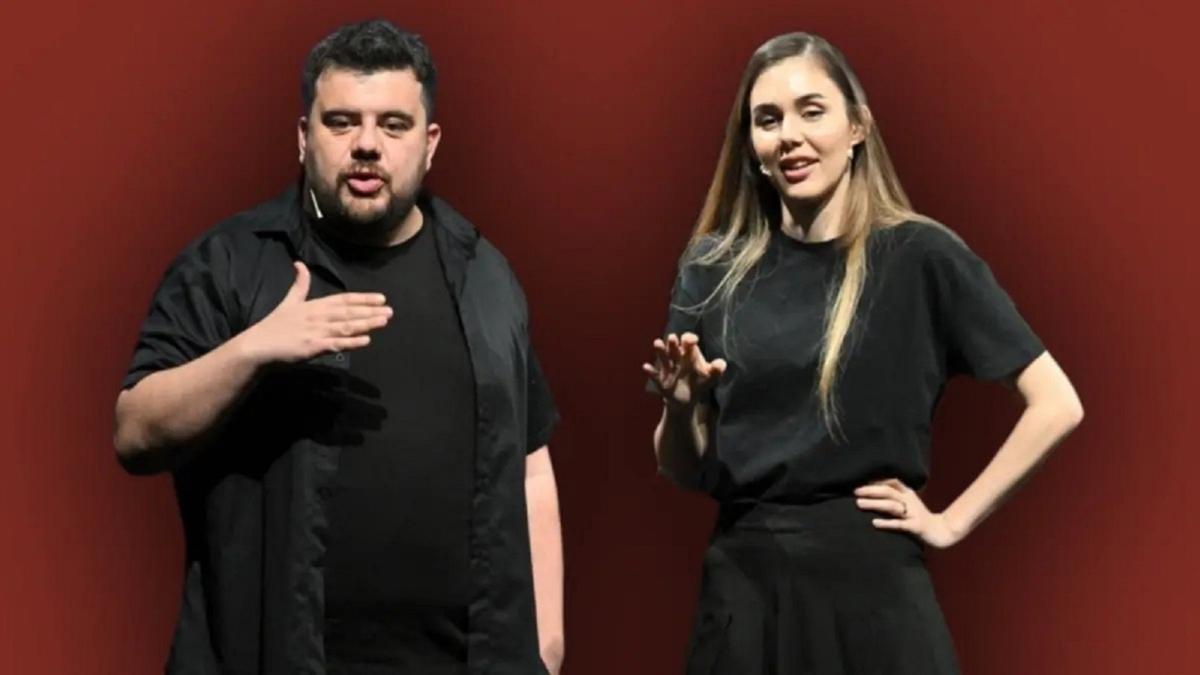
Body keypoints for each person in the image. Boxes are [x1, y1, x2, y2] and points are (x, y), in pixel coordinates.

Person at [113, 20, 563, 675]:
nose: (367, 144)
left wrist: (547, 639)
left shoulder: (484, 273)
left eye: (393, 125)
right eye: (342, 122)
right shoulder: (230, 265)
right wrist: (251, 351)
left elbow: (528, 461)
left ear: (430, 143)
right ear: (304, 138)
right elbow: (134, 431)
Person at [643, 32, 1083, 674]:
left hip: (873, 596)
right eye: (768, 120)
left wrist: (952, 522)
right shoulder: (712, 271)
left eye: (811, 111)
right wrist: (682, 408)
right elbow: (683, 471)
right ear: (752, 147)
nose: (790, 136)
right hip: (746, 594)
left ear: (857, 127)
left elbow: (1057, 403)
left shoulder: (920, 257)